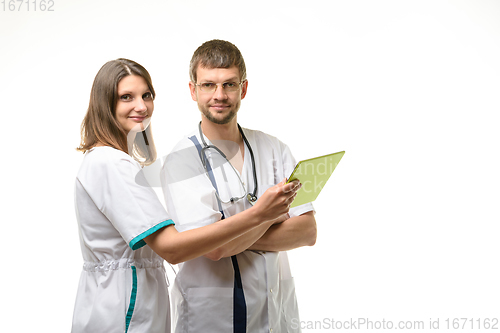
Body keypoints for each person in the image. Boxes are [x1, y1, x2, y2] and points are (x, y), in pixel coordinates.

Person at [72, 58, 300, 333]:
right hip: (121, 312)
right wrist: (262, 214)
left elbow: (307, 232)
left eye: (147, 95)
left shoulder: (116, 161)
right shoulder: (110, 163)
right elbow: (173, 248)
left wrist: (238, 233)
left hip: (133, 302)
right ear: (104, 104)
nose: (142, 106)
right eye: (126, 97)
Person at [161, 40, 317, 333]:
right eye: (208, 85)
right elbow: (216, 249)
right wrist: (270, 214)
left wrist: (225, 232)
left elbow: (308, 231)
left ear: (243, 89)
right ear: (193, 90)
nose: (219, 95)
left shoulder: (275, 148)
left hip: (277, 314)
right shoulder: (181, 162)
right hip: (213, 319)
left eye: (229, 85)